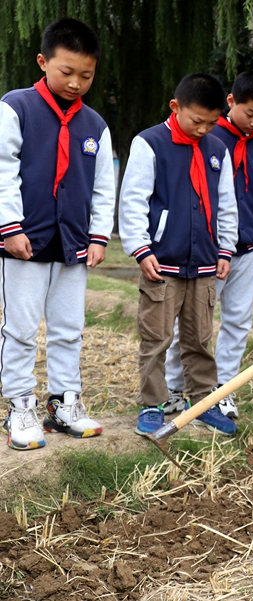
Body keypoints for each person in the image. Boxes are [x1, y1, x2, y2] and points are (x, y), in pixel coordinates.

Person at [0, 18, 114, 451]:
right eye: (67, 72)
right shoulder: (16, 108)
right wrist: (9, 228)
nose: (76, 83)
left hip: (73, 244)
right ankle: (19, 405)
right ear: (43, 61)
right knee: (21, 328)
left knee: (69, 327)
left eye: (86, 75)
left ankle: (64, 402)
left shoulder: (95, 125)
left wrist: (99, 236)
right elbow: (3, 171)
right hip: (24, 242)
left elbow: (103, 186)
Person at [119, 73, 239, 437]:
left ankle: (202, 402)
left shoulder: (217, 150)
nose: (203, 129)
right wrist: (140, 249)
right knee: (156, 338)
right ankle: (152, 405)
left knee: (199, 339)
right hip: (162, 263)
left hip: (204, 263)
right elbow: (134, 200)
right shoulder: (150, 143)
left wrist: (225, 248)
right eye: (196, 121)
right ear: (176, 107)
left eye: (211, 123)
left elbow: (226, 205)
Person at [163, 71, 253, 419]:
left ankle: (223, 389)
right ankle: (174, 387)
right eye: (250, 114)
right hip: (210, 250)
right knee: (191, 322)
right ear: (231, 102)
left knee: (238, 321)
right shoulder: (207, 137)